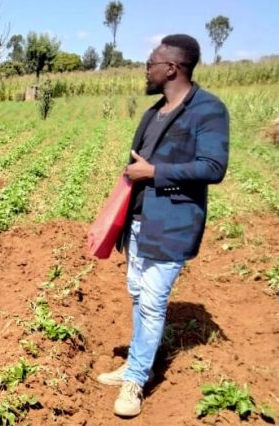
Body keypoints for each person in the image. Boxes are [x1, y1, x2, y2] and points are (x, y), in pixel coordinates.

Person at [96, 34, 229, 417]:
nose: (146, 68)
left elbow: (213, 167)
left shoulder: (208, 110)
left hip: (171, 226)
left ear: (171, 67)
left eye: (150, 62)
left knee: (152, 304)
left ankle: (136, 380)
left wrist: (155, 172)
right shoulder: (153, 113)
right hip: (139, 223)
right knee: (138, 295)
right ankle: (139, 362)